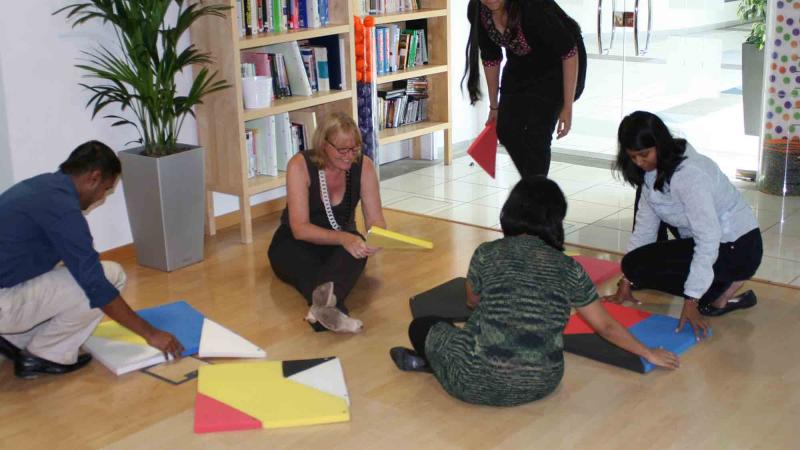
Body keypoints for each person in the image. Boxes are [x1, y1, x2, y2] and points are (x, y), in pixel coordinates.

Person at [390, 177, 678, 407]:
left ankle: (435, 365)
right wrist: (648, 353)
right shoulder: (569, 268)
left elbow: (472, 301)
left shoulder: (487, 253)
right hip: (542, 382)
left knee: (423, 326)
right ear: (555, 220)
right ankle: (439, 364)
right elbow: (606, 326)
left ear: (510, 212)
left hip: (471, 380)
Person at [0, 141, 183, 379]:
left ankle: (15, 338)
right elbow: (96, 285)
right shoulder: (63, 210)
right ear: (93, 178)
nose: (102, 197)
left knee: (72, 272)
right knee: (110, 276)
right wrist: (151, 334)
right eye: (105, 189)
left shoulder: (42, 187)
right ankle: (46, 354)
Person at [605, 111, 763, 339]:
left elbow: (708, 237)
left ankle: (721, 287)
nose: (639, 162)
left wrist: (691, 300)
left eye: (644, 154)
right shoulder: (650, 174)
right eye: (632, 157)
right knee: (634, 265)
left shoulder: (690, 176)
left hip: (738, 246)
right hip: (711, 241)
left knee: (692, 285)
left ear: (660, 144)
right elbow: (644, 229)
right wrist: (626, 281)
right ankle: (715, 287)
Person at [268, 112, 386, 333]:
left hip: (339, 242)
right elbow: (300, 229)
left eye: (354, 149)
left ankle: (322, 313)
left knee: (357, 250)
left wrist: (377, 238)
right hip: (295, 242)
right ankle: (333, 311)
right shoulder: (299, 165)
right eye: (342, 150)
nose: (349, 156)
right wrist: (343, 238)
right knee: (310, 269)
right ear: (323, 145)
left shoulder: (365, 167)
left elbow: (375, 220)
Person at [462, 0, 587, 178]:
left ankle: (535, 187)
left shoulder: (531, 6)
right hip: (522, 60)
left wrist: (567, 107)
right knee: (505, 128)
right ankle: (533, 183)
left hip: (559, 63)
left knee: (537, 132)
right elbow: (491, 58)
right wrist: (494, 107)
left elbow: (568, 51)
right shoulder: (477, 10)